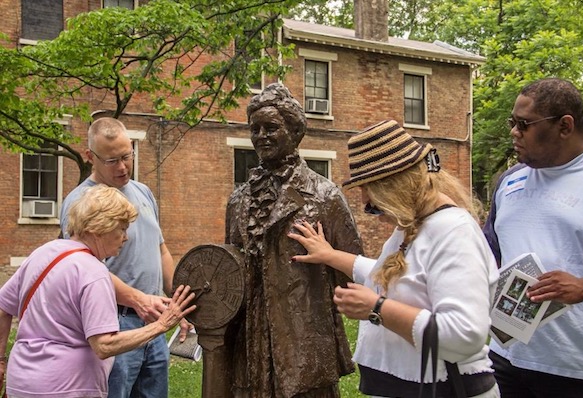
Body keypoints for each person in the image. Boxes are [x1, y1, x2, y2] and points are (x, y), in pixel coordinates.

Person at [289, 119, 501, 398]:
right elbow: (389, 274)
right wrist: (330, 255)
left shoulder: (454, 233)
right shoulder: (414, 227)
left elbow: (464, 336)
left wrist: (377, 309)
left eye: (369, 188)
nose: (365, 200)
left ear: (396, 184)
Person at [224, 82, 363, 397]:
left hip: (304, 335)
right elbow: (230, 270)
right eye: (255, 128)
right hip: (251, 337)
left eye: (271, 127)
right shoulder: (238, 199)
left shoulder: (325, 196)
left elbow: (353, 272)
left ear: (294, 131)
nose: (262, 136)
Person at [0, 184, 196, 397]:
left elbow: (3, 307)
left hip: (21, 383)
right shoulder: (94, 272)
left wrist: (1, 360)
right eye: (121, 228)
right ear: (99, 228)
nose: (126, 237)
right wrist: (161, 325)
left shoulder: (42, 253)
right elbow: (104, 345)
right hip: (67, 388)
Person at [482, 77, 583, 397]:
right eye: (512, 122)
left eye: (524, 124)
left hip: (582, 368)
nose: (513, 132)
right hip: (507, 358)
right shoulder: (509, 181)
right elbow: (489, 255)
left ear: (565, 126)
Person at [59, 117, 189, 398]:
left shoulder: (143, 191)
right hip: (112, 323)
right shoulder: (80, 203)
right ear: (90, 156)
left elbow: (160, 249)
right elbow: (82, 268)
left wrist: (177, 302)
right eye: (112, 160)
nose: (122, 167)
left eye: (127, 156)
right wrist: (138, 299)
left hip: (154, 322)